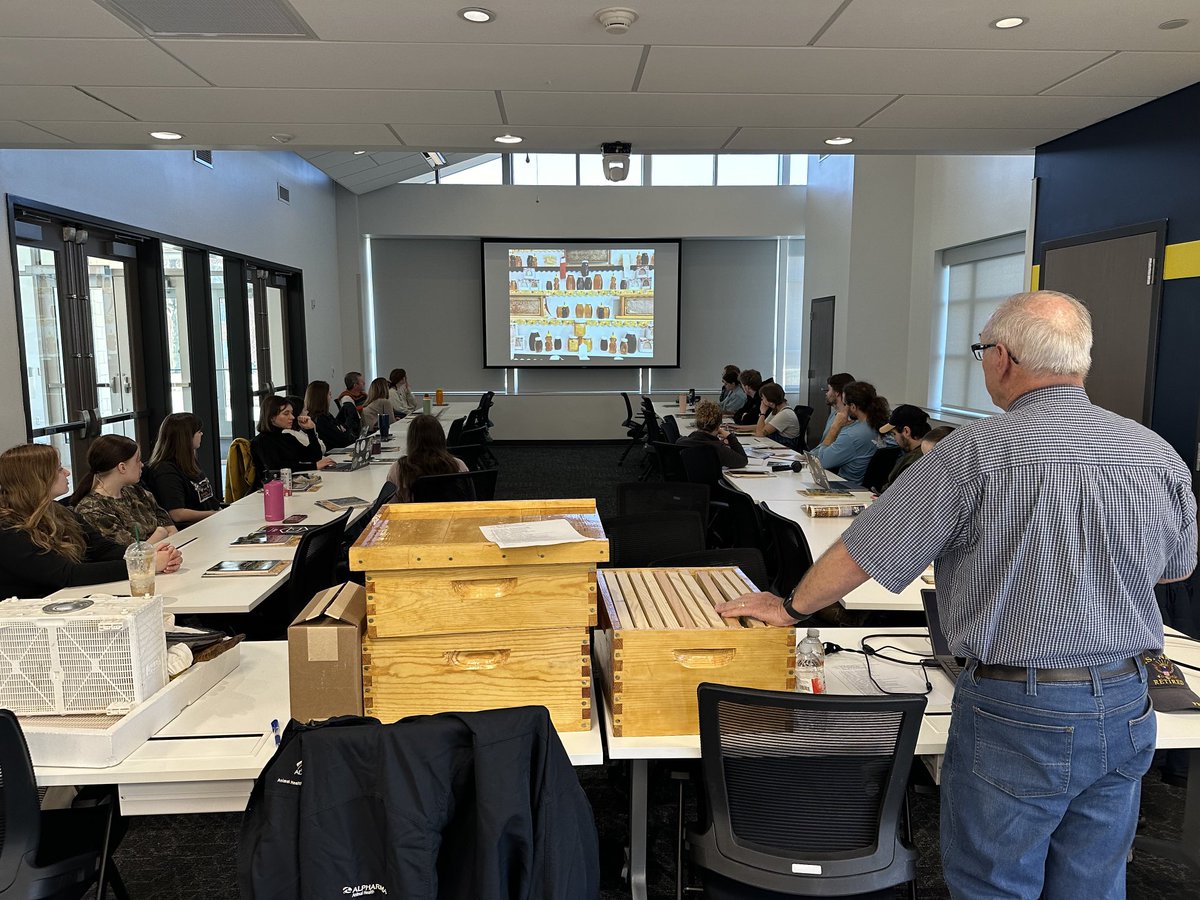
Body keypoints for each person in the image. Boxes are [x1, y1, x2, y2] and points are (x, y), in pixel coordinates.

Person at [718, 291, 1197, 900]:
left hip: (1018, 706)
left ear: (1002, 357)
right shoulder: (1152, 450)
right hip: (1129, 698)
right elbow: (1176, 568)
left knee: (996, 883)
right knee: (1094, 879)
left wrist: (788, 608)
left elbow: (868, 551)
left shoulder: (973, 452)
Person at [0, 444, 181, 598]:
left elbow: (102, 549)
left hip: (70, 603)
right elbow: (68, 574)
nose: (67, 472)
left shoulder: (59, 512)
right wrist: (143, 566)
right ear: (37, 479)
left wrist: (143, 554)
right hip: (32, 623)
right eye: (59, 469)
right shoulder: (8, 529)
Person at [71, 434, 178, 546]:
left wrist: (162, 535)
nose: (142, 465)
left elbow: (170, 527)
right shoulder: (92, 509)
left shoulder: (135, 491)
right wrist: (161, 533)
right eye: (137, 461)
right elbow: (131, 553)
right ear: (122, 467)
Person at [146, 413, 222, 526]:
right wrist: (213, 514)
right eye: (198, 431)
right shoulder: (166, 471)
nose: (202, 434)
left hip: (209, 522)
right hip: (193, 528)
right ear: (186, 437)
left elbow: (208, 499)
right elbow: (177, 514)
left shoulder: (188, 461)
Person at [811, 381, 889, 486]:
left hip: (847, 487)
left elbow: (820, 462)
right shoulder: (883, 427)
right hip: (869, 490)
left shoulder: (851, 435)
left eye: (845, 404)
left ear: (852, 407)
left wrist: (835, 427)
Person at [251, 395, 334, 485]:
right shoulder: (261, 441)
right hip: (270, 489)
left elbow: (314, 456)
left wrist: (310, 431)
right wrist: (314, 466)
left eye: (292, 413)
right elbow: (277, 467)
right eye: (286, 414)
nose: (292, 417)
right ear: (272, 417)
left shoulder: (287, 437)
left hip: (288, 484)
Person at [386, 413, 469, 502]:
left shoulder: (399, 469)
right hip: (451, 514)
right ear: (441, 438)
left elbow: (388, 507)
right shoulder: (458, 466)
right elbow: (469, 499)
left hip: (414, 515)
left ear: (411, 441)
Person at [677, 399, 748, 468]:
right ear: (718, 426)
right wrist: (730, 436)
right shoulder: (718, 449)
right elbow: (743, 460)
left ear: (697, 423)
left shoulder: (680, 442)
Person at [878, 404, 931, 491]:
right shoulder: (931, 452)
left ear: (906, 431)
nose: (894, 439)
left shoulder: (911, 463)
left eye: (894, 434)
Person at [737, 382, 800, 449]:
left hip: (786, 449)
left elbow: (760, 433)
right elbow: (762, 426)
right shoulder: (777, 409)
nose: (762, 400)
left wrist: (762, 413)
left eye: (763, 397)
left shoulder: (785, 414)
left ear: (770, 400)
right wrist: (738, 428)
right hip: (777, 445)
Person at [304, 380, 356, 450]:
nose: (331, 397)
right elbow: (343, 440)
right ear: (321, 397)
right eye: (329, 394)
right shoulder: (320, 420)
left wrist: (343, 431)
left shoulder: (326, 415)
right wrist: (343, 431)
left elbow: (344, 430)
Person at [820, 373, 856, 442]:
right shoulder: (834, 414)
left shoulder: (848, 420)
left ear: (837, 393)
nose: (826, 393)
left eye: (828, 389)